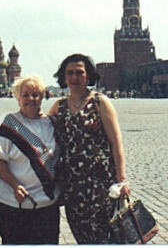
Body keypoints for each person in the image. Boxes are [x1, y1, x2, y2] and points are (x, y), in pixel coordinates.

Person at [48, 53, 130, 244]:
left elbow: (116, 142)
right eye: (70, 73)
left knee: (106, 236)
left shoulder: (100, 102)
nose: (74, 77)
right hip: (73, 186)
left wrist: (122, 179)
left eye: (79, 72)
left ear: (88, 75)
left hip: (101, 184)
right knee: (82, 235)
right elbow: (41, 132)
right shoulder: (58, 106)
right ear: (63, 76)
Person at [0, 76, 61, 244]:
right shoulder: (9, 122)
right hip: (12, 204)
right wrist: (15, 185)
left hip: (46, 204)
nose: (30, 99)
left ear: (42, 97)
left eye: (35, 95)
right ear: (18, 97)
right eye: (25, 95)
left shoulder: (51, 123)